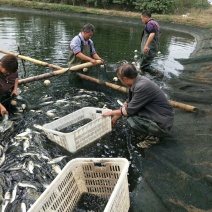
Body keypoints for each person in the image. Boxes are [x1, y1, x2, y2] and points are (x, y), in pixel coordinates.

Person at [102, 63, 174, 148]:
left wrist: (110, 113)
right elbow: (129, 102)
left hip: (162, 123)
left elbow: (128, 111)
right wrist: (115, 118)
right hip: (158, 114)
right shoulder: (137, 82)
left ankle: (154, 137)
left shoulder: (142, 86)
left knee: (131, 119)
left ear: (125, 78)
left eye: (120, 79)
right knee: (128, 112)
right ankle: (150, 131)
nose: (120, 81)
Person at [140, 11, 160, 75]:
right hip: (153, 46)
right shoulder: (155, 22)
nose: (142, 20)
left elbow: (152, 34)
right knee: (146, 62)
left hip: (149, 47)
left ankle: (157, 74)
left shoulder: (150, 24)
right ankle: (151, 75)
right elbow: (158, 34)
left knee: (143, 66)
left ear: (146, 17)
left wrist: (146, 46)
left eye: (142, 18)